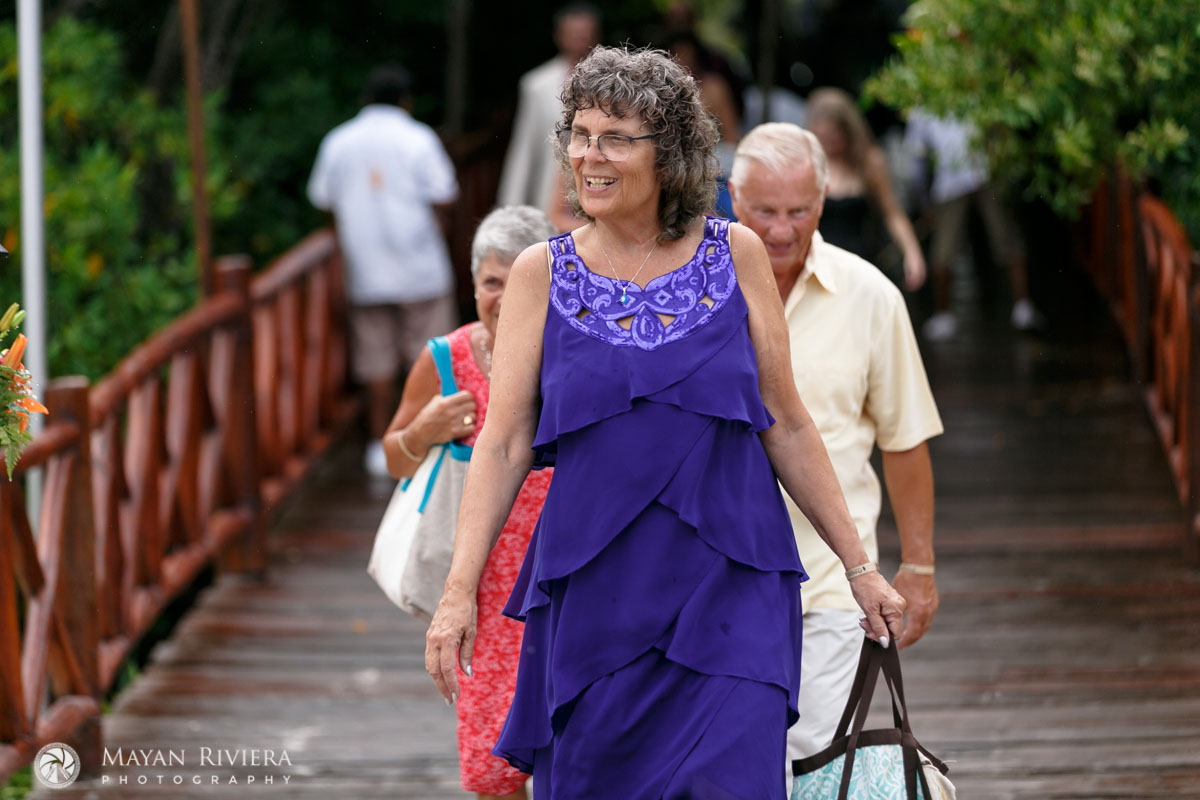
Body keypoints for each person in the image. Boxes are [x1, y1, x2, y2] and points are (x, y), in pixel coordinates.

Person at [425, 46, 906, 798]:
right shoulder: (539, 274)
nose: (590, 154)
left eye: (616, 137)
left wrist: (860, 567)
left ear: (672, 152)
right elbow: (506, 440)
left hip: (732, 582)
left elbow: (786, 420)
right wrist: (457, 594)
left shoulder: (736, 253)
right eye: (581, 135)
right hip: (595, 595)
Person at [727, 122, 943, 779]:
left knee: (819, 768)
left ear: (826, 199)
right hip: (715, 582)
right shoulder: (692, 291)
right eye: (764, 210)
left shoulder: (870, 295)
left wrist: (921, 568)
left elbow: (904, 439)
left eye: (799, 211)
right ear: (732, 198)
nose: (782, 229)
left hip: (831, 579)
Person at [383, 206, 557, 800]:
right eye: (490, 281)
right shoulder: (446, 361)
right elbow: (393, 459)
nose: (504, 297)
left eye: (520, 279)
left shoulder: (574, 353)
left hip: (567, 580)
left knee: (578, 749)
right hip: (483, 594)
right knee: (492, 770)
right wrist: (422, 431)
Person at [307, 64, 459, 477]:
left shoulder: (339, 140)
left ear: (364, 100)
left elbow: (322, 197)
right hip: (420, 268)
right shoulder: (418, 138)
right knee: (425, 357)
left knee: (375, 361)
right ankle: (426, 441)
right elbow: (445, 193)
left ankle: (379, 443)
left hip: (365, 267)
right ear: (406, 100)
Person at [904, 109, 1043, 340]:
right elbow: (917, 155)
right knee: (944, 249)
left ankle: (1023, 306)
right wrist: (923, 200)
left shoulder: (977, 83)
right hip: (949, 181)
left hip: (987, 173)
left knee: (1006, 238)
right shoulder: (923, 104)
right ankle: (943, 314)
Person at [806, 87, 925, 291]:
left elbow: (893, 213)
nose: (830, 145)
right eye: (824, 138)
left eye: (835, 137)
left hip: (858, 263)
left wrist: (912, 253)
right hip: (816, 264)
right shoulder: (807, 162)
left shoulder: (869, 162)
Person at [497, 3, 601, 211]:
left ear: (596, 35)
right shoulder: (536, 84)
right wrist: (509, 208)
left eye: (585, 33)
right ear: (559, 36)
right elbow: (524, 147)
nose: (579, 38)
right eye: (573, 33)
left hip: (598, 189)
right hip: (549, 193)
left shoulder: (612, 82)